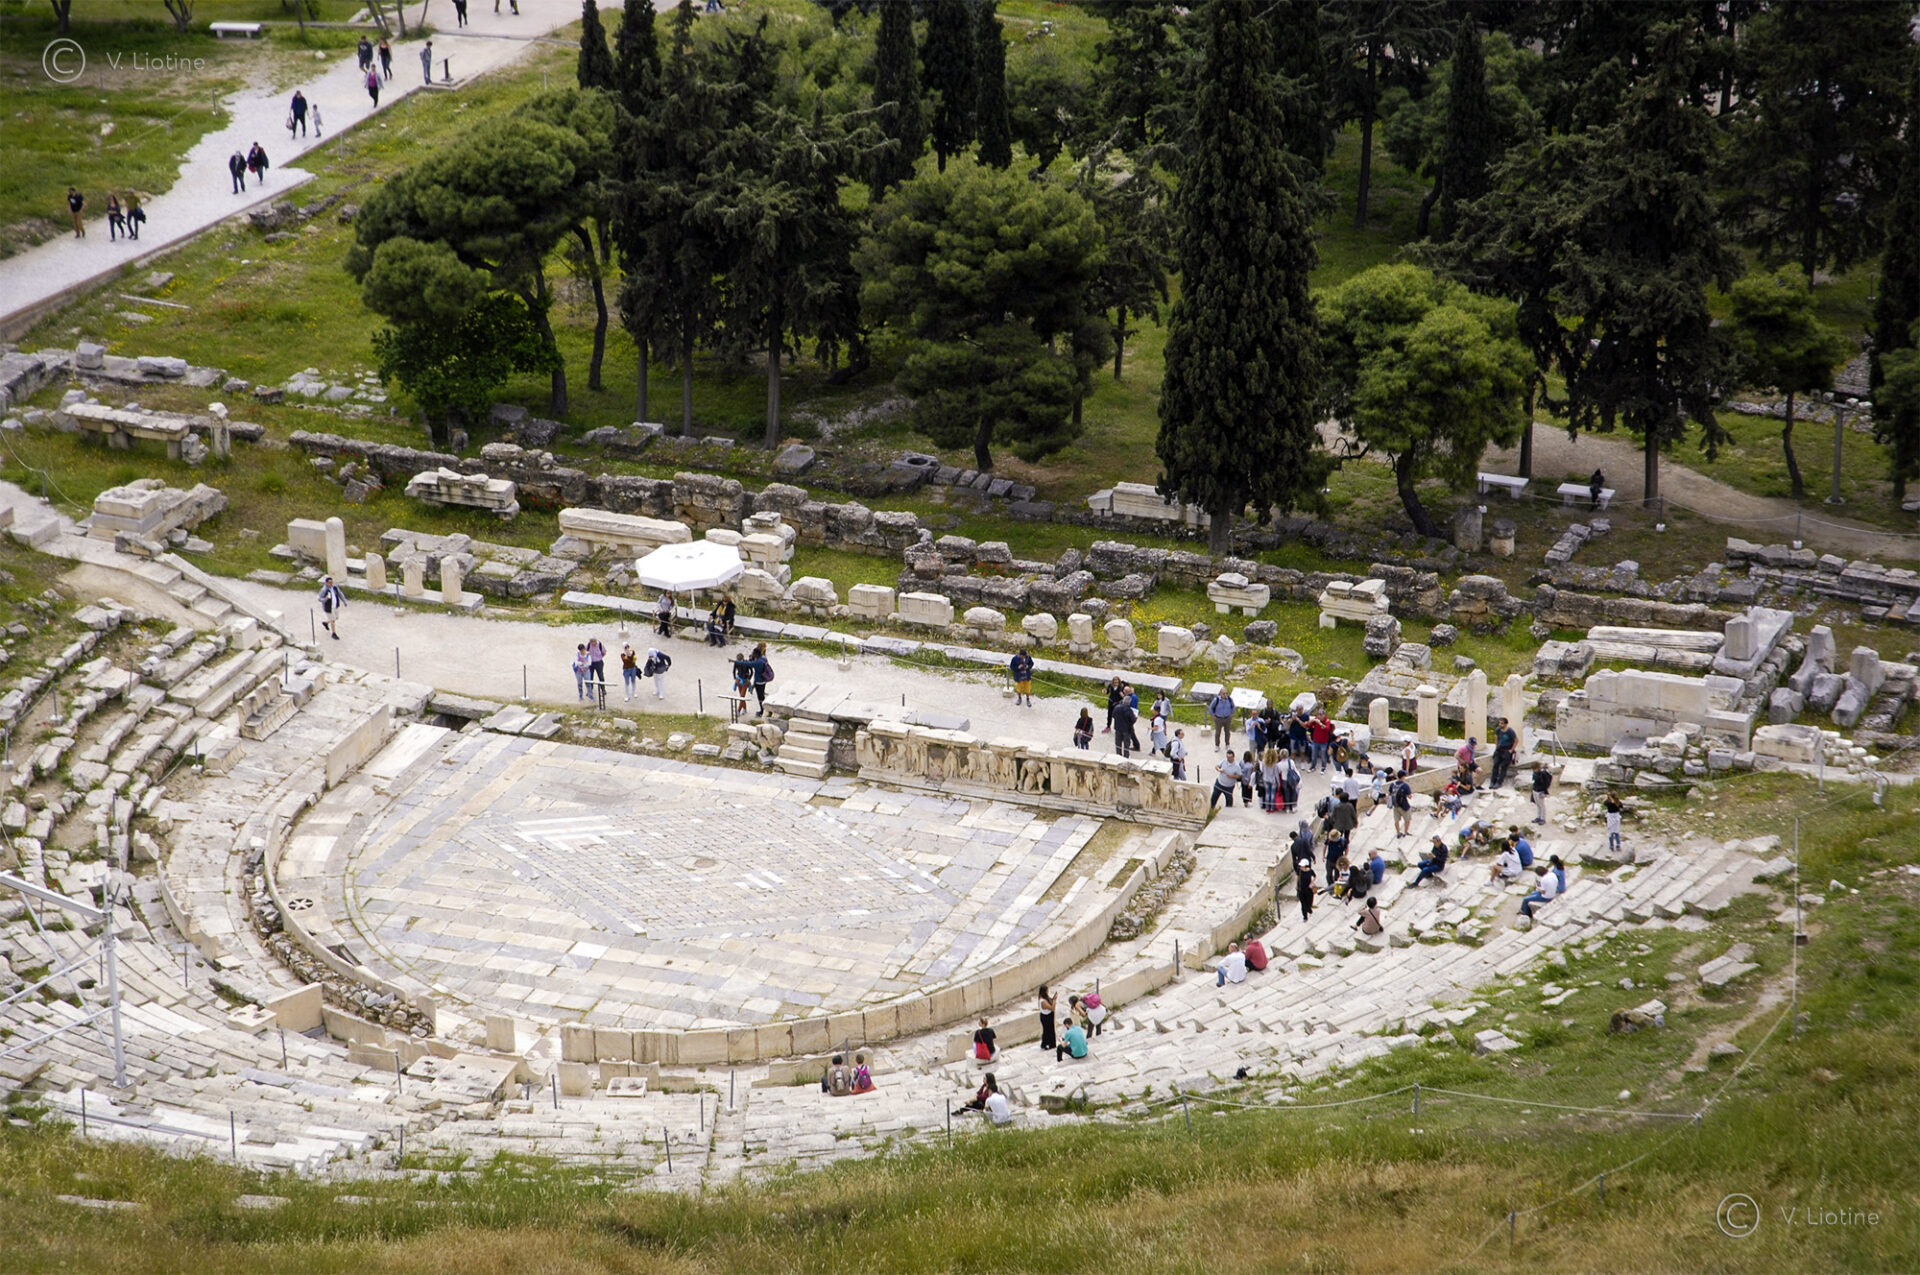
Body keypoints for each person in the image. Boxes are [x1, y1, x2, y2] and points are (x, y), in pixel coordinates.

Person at [1491, 717, 1518, 788]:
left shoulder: (1510, 731)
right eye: (1499, 723)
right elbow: (1496, 738)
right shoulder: (1498, 730)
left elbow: (1516, 740)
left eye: (1502, 723)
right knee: (1495, 765)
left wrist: (1511, 750)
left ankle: (1499, 782)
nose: (1500, 725)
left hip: (1507, 750)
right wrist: (1496, 746)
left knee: (1504, 766)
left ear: (1506, 724)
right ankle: (1493, 781)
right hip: (1499, 749)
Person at [748, 642, 773, 713]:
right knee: (760, 690)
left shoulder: (760, 655)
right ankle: (763, 709)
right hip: (762, 676)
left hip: (759, 677)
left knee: (760, 695)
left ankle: (762, 710)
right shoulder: (761, 655)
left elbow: (750, 663)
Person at [1112, 691, 1139, 758]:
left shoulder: (1117, 707)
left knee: (1118, 744)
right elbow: (1133, 720)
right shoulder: (1129, 710)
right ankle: (1125, 757)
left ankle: (1118, 756)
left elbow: (1113, 715)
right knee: (1126, 745)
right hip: (1126, 730)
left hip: (1118, 728)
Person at [1257, 747, 1282, 813]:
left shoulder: (1263, 762)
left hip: (1266, 779)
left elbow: (1262, 770)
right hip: (1273, 780)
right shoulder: (1275, 764)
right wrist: (1278, 783)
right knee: (1272, 794)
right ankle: (1272, 808)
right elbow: (1276, 774)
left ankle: (1267, 807)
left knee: (1267, 793)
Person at [1390, 770, 1414, 838]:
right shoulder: (1405, 785)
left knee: (1396, 820)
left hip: (1395, 805)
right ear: (1403, 777)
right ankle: (1405, 832)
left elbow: (1390, 793)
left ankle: (1398, 833)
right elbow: (1410, 796)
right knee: (1407, 820)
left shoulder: (1392, 784)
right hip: (1404, 806)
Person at [1294, 856, 1316, 922]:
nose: (1301, 867)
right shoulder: (1299, 870)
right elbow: (1297, 877)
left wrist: (1312, 883)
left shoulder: (1310, 871)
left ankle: (1309, 909)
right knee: (1303, 904)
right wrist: (1296, 885)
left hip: (1308, 889)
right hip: (1301, 889)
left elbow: (1315, 876)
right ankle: (1305, 917)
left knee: (1309, 902)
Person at [1037, 985, 1056, 1053]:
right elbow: (1052, 1008)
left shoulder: (1044, 998)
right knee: (1047, 1031)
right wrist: (1054, 1000)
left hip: (1048, 1015)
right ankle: (1047, 1044)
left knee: (1049, 1030)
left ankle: (1049, 1044)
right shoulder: (1043, 1001)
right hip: (1046, 1017)